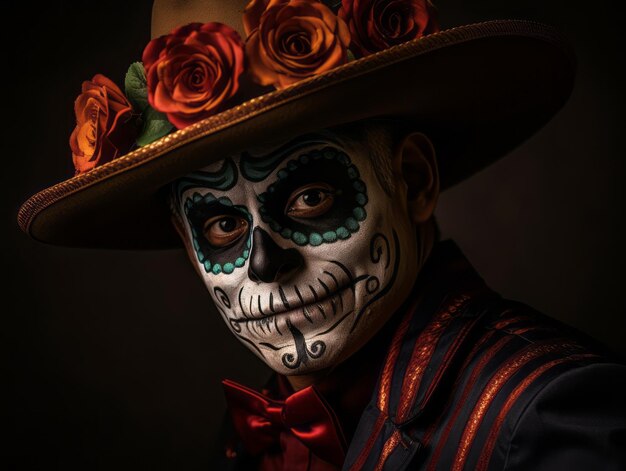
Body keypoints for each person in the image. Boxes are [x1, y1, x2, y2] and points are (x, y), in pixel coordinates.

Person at [18, 0, 626, 469]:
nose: (263, 263)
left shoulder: (549, 413)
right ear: (185, 240)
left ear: (413, 181)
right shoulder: (247, 436)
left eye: (310, 197)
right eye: (222, 224)